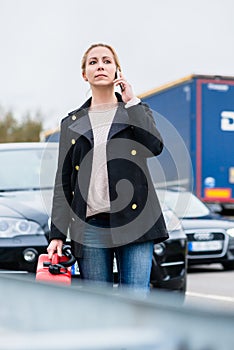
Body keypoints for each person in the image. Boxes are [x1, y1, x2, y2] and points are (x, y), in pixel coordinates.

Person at [47, 43, 168, 293]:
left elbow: (155, 146)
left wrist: (132, 101)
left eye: (106, 61)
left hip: (136, 222)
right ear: (84, 74)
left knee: (135, 301)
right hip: (89, 227)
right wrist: (57, 234)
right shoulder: (71, 122)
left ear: (117, 71)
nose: (100, 65)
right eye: (93, 62)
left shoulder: (136, 111)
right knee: (98, 307)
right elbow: (64, 182)